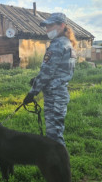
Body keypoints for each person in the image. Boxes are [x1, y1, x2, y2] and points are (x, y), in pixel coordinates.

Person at [23, 13, 77, 147]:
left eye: (50, 25)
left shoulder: (58, 44)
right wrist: (37, 79)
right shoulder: (67, 43)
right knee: (55, 133)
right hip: (59, 92)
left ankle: (61, 166)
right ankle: (56, 164)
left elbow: (47, 72)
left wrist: (32, 92)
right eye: (46, 26)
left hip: (55, 96)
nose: (47, 29)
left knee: (54, 136)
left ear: (62, 25)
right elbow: (58, 70)